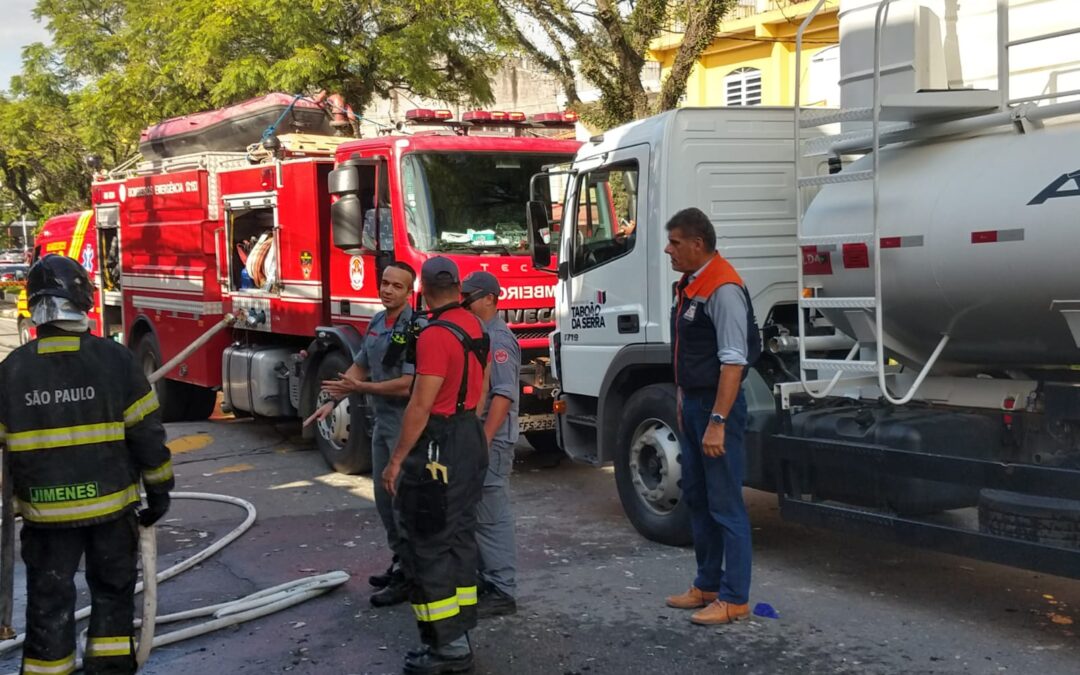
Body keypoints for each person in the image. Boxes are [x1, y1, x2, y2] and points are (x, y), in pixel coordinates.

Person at [0, 254, 174, 675]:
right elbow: (147, 436)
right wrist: (159, 490)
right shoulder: (116, 361)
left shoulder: (11, 371)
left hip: (45, 517)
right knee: (113, 596)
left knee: (48, 602)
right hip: (111, 512)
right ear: (81, 299)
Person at [381, 256, 489, 674]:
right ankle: (460, 630)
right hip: (468, 436)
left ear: (421, 290)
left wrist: (395, 462)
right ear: (459, 288)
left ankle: (447, 648)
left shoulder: (434, 336)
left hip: (439, 443)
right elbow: (477, 394)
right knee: (460, 535)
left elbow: (420, 405)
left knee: (426, 541)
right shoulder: (475, 324)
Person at [663, 207, 760, 626]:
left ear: (697, 244)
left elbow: (732, 363)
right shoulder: (691, 283)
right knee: (698, 497)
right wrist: (685, 404)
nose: (669, 249)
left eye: (675, 242)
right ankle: (707, 585)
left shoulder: (722, 288)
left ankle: (734, 597)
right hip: (695, 405)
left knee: (725, 503)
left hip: (716, 407)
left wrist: (717, 421)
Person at [304, 261, 419, 607]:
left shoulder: (414, 328)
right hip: (381, 423)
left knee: (403, 501)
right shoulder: (375, 322)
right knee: (384, 502)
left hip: (403, 425)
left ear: (409, 292)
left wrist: (361, 387)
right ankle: (400, 562)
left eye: (396, 286)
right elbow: (359, 365)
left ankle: (412, 575)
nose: (387, 290)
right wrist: (332, 400)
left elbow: (407, 385)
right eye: (384, 283)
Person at [461, 271, 519, 618]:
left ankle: (502, 588)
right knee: (479, 514)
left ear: (489, 299)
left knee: (491, 516)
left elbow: (503, 396)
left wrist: (482, 441)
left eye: (468, 297)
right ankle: (488, 580)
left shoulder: (498, 339)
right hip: (482, 440)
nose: (463, 303)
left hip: (492, 443)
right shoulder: (479, 334)